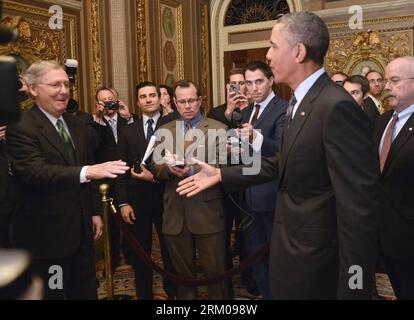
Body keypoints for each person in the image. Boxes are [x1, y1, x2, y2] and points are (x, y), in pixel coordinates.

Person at [177, 12, 378, 299]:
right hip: (294, 251)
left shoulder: (335, 106)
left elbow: (358, 206)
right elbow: (282, 161)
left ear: (298, 52)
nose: (268, 55)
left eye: (273, 46)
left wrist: (354, 286)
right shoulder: (301, 102)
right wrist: (222, 174)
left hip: (318, 258)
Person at [6, 60, 129, 299]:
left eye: (66, 84)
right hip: (47, 238)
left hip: (82, 235)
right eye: (55, 85)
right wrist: (87, 172)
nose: (64, 90)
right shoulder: (21, 125)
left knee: (84, 292)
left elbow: (89, 164)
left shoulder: (76, 123)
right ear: (33, 89)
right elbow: (35, 172)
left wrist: (93, 211)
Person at [153, 80, 229, 300]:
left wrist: (190, 169)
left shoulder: (218, 128)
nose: (187, 106)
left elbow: (225, 166)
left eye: (191, 101)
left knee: (216, 273)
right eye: (182, 101)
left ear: (200, 100)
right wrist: (168, 169)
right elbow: (155, 165)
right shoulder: (164, 130)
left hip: (207, 209)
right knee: (183, 276)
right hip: (175, 212)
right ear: (174, 102)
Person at [115, 81, 176, 299]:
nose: (148, 99)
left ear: (160, 99)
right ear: (138, 101)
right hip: (136, 200)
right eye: (143, 96)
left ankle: (174, 291)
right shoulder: (127, 131)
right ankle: (144, 293)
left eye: (152, 95)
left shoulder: (174, 125)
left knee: (170, 251)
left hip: (167, 198)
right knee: (141, 252)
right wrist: (123, 202)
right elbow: (120, 169)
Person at [237, 60, 287, 299]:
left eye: (258, 81)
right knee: (256, 258)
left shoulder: (284, 109)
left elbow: (282, 151)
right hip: (247, 198)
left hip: (272, 198)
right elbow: (248, 154)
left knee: (278, 260)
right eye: (249, 82)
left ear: (271, 80)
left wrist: (253, 138)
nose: (253, 87)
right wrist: (236, 149)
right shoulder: (247, 112)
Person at [373, 56, 414, 299]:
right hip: (387, 238)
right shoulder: (382, 121)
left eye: (394, 80)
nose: (386, 86)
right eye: (386, 80)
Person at [93, 86, 131, 270]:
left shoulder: (129, 119)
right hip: (106, 178)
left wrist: (128, 117)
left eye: (111, 98)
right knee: (110, 222)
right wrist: (99, 119)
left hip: (128, 175)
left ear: (117, 99)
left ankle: (133, 256)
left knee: (131, 218)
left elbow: (136, 141)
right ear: (98, 104)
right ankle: (112, 259)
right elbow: (94, 145)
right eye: (104, 100)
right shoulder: (93, 122)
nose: (109, 102)